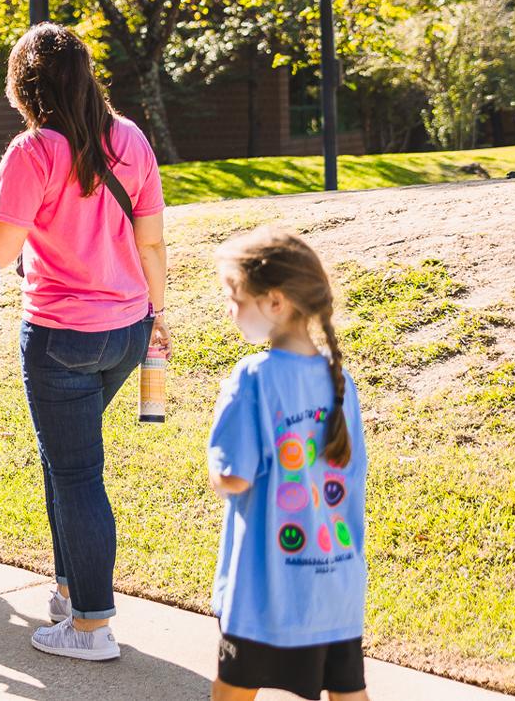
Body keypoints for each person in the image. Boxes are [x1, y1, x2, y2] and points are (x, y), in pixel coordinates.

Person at [0, 23, 168, 661]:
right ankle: (68, 592)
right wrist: (158, 312)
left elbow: (0, 251)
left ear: (24, 85)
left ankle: (91, 626)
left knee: (78, 473)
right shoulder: (132, 139)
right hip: (128, 329)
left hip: (61, 335)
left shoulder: (33, 152)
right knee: (66, 464)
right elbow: (152, 242)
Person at [207, 228, 367, 701]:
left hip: (266, 588)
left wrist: (214, 467)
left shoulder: (252, 377)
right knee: (347, 691)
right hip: (336, 585)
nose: (230, 311)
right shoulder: (342, 383)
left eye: (235, 299)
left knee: (234, 690)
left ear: (275, 302)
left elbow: (232, 477)